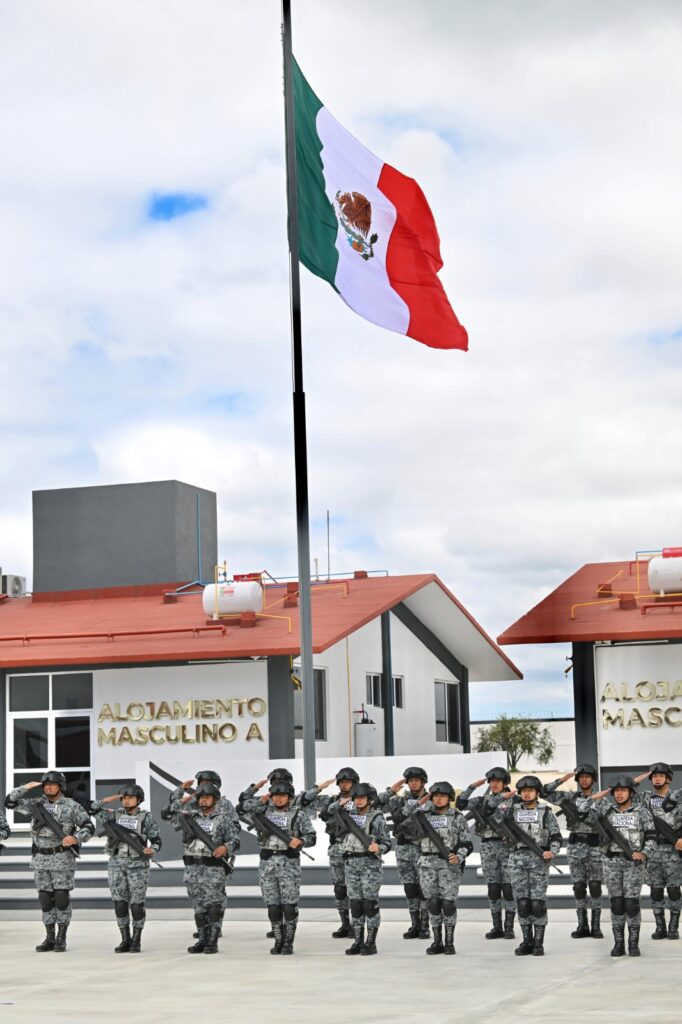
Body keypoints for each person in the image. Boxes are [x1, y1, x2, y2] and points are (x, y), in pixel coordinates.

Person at [5, 771, 94, 952]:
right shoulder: (36, 803)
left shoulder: (71, 806)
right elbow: (10, 803)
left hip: (62, 858)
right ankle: (50, 938)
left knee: (61, 898)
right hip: (40, 858)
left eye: (52, 785)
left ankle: (61, 937)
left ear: (61, 786)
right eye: (46, 785)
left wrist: (76, 838)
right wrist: (24, 788)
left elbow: (88, 826)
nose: (48, 788)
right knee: (45, 899)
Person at [587, 775, 656, 957]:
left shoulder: (642, 812)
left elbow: (651, 837)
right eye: (616, 791)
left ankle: (633, 944)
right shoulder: (606, 811)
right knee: (616, 903)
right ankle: (619, 943)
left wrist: (644, 853)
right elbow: (582, 810)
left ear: (631, 792)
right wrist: (598, 796)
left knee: (631, 904)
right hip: (611, 863)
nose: (619, 794)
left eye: (623, 790)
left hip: (633, 863)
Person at [494, 775, 561, 957]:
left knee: (537, 904)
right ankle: (527, 941)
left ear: (537, 793)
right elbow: (494, 815)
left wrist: (552, 852)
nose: (526, 794)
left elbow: (556, 836)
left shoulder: (546, 812)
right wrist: (503, 799)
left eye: (530, 791)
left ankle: (538, 942)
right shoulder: (511, 811)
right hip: (517, 860)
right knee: (522, 903)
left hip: (539, 860)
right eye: (523, 791)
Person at [89, 784, 162, 953]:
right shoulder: (113, 815)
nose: (127, 801)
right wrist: (106, 800)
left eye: (130, 798)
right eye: (124, 798)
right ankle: (125, 938)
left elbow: (157, 839)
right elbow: (91, 809)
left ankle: (136, 939)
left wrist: (152, 850)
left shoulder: (146, 817)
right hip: (116, 863)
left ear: (139, 800)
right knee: (120, 904)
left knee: (136, 905)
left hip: (138, 865)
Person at [172, 782, 241, 954]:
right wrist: (181, 794)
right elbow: (170, 812)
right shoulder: (190, 817)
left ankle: (212, 941)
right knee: (198, 907)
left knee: (213, 907)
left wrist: (225, 847)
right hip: (192, 867)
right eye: (201, 797)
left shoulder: (223, 819)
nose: (203, 800)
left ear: (215, 799)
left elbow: (235, 840)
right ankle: (202, 940)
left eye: (207, 797)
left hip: (213, 868)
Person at [253, 779, 316, 955]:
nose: (278, 799)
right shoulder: (263, 811)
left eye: (282, 795)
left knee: (289, 906)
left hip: (289, 863)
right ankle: (278, 940)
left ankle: (288, 941)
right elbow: (241, 808)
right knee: (273, 906)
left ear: (289, 797)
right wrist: (259, 799)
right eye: (275, 795)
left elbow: (312, 836)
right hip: (267, 863)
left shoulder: (298, 815)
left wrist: (301, 840)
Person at [410, 781, 473, 955]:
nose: (438, 799)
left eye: (442, 796)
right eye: (435, 796)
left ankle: (449, 942)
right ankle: (437, 941)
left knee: (447, 903)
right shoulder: (422, 816)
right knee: (433, 903)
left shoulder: (457, 817)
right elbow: (405, 823)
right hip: (427, 864)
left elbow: (467, 843)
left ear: (449, 798)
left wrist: (459, 856)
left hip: (448, 865)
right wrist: (419, 805)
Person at [543, 763, 604, 938]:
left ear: (593, 780)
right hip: (575, 845)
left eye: (588, 777)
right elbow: (544, 792)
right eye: (581, 777)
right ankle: (582, 925)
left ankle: (596, 926)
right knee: (578, 887)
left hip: (595, 846)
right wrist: (563, 779)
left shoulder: (600, 799)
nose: (584, 780)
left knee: (595, 887)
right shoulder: (569, 797)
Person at [332, 782, 392, 956]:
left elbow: (387, 842)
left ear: (369, 799)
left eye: (362, 798)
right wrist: (341, 802)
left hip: (369, 865)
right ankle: (358, 942)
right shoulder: (347, 815)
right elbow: (330, 811)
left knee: (369, 904)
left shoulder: (377, 817)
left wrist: (379, 847)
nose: (358, 801)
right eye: (356, 798)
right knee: (356, 904)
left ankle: (370, 943)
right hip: (351, 863)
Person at [456, 767, 515, 939]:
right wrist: (472, 787)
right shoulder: (482, 801)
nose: (494, 784)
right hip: (488, 847)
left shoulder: (514, 800)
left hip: (508, 847)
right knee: (493, 888)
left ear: (505, 783)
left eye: (498, 781)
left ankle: (509, 927)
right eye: (492, 781)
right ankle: (497, 927)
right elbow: (461, 804)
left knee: (509, 888)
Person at [301, 766, 359, 938]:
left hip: (357, 851)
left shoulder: (362, 800)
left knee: (356, 890)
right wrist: (318, 788)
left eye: (347, 782)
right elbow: (304, 800)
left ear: (354, 783)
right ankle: (345, 924)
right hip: (336, 850)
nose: (344, 785)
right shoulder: (330, 801)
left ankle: (357, 926)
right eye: (341, 782)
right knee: (340, 889)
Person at [379, 766, 431, 940]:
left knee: (423, 888)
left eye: (417, 780)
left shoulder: (432, 800)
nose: (413, 783)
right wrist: (390, 791)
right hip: (403, 848)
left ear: (423, 782)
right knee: (409, 888)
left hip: (423, 848)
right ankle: (415, 924)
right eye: (410, 781)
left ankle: (425, 925)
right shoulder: (398, 801)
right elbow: (375, 804)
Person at [633, 762, 682, 940]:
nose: (657, 779)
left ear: (668, 779)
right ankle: (660, 927)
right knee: (656, 891)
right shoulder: (645, 798)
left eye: (661, 775)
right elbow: (627, 786)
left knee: (674, 890)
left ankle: (673, 926)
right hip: (652, 851)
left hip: (673, 851)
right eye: (654, 776)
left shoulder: (677, 797)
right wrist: (647, 773)